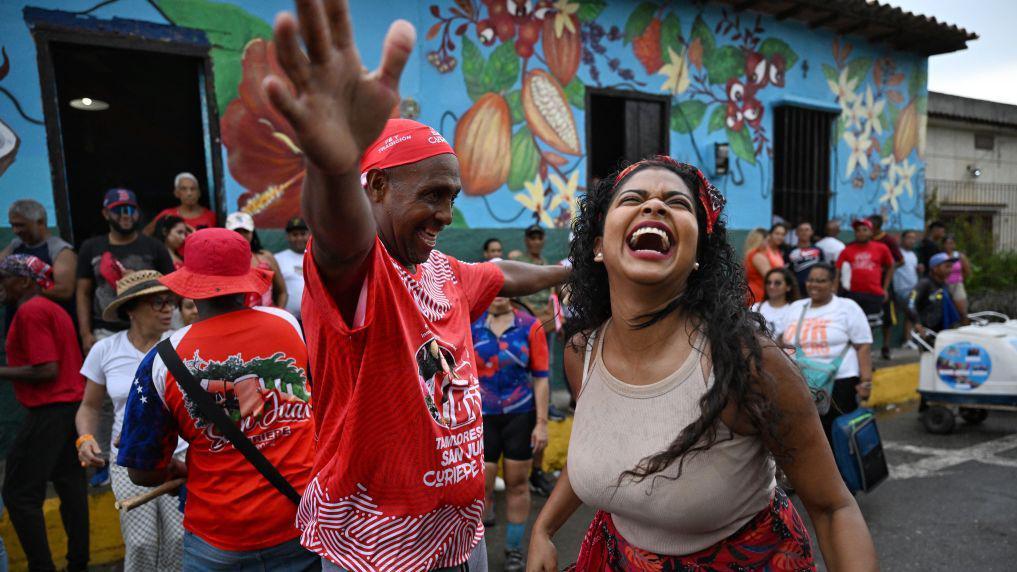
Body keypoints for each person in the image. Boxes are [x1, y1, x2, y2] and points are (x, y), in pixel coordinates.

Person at [261, 3, 568, 568]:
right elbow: (338, 239)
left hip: (458, 531)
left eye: (452, 197)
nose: (447, 215)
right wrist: (332, 168)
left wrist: (574, 269)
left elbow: (503, 276)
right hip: (377, 541)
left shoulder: (441, 271)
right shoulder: (361, 272)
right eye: (433, 195)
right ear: (375, 187)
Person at [526, 157, 875, 571]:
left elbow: (833, 508)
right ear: (599, 245)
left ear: (697, 254)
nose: (654, 207)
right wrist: (544, 528)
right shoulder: (581, 351)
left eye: (677, 203)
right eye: (633, 198)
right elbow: (604, 448)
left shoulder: (748, 363)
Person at [116, 228, 317, 571]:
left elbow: (142, 471)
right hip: (304, 523)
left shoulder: (162, 360)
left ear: (190, 289)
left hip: (218, 540)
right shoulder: (289, 325)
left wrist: (178, 468)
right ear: (248, 278)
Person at [75, 271, 186, 570]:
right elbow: (88, 406)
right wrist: (85, 439)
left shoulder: (183, 344)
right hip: (129, 459)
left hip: (182, 456)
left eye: (170, 302)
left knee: (180, 539)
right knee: (141, 543)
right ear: (131, 310)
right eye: (158, 302)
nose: (168, 309)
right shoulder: (105, 350)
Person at [76, 188, 175, 486]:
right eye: (119, 209)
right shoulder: (91, 247)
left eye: (131, 209)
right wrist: (85, 333)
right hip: (104, 328)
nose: (125, 215)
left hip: (179, 459)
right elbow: (82, 291)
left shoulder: (181, 344)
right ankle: (104, 461)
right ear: (106, 213)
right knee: (114, 399)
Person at [0, 254, 89, 572]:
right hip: (70, 410)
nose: (1, 285)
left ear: (24, 281)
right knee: (71, 487)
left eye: (4, 278)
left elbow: (46, 369)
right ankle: (78, 564)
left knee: (19, 494)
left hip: (50, 411)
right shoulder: (52, 309)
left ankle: (42, 567)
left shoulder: (32, 310)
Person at [472, 296, 549, 571]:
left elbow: (541, 376)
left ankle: (514, 549)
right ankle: (473, 550)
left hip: (520, 414)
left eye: (504, 290)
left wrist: (541, 423)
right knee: (480, 487)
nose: (497, 295)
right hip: (481, 416)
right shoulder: (472, 323)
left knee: (517, 484)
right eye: (492, 290)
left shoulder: (529, 326)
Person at [781, 263, 873, 441]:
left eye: (821, 281)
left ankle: (841, 469)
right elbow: (783, 342)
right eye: (811, 280)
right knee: (808, 438)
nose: (814, 285)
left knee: (837, 437)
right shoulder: (796, 308)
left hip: (839, 383)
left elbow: (863, 345)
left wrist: (866, 382)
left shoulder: (847, 307)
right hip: (801, 382)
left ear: (832, 283)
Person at [1, 199, 77, 330]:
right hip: (18, 324)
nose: (15, 230)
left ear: (40, 222)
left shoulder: (60, 250)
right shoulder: (15, 246)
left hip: (47, 326)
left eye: (20, 225)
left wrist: (24, 290)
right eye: (12, 225)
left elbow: (65, 291)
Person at [836, 219, 895, 333]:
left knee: (870, 326)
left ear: (871, 232)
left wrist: (885, 288)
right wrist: (834, 289)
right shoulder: (847, 250)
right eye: (858, 230)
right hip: (852, 294)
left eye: (864, 230)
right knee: (852, 325)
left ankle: (866, 350)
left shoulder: (881, 248)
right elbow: (838, 270)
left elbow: (891, 266)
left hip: (874, 293)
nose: (861, 232)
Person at [225, 211, 288, 309]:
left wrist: (279, 313)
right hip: (238, 320)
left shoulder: (266, 257)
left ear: (252, 232)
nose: (241, 235)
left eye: (245, 231)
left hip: (269, 318)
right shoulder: (222, 261)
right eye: (237, 231)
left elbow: (282, 292)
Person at [143, 172, 217, 234]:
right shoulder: (167, 215)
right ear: (176, 193)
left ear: (199, 193)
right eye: (183, 189)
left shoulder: (211, 216)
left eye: (193, 189)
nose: (189, 193)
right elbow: (145, 235)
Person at [908, 252, 962, 336]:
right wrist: (917, 323)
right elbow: (910, 302)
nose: (950, 270)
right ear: (935, 268)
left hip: (944, 331)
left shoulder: (944, 285)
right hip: (927, 331)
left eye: (951, 267)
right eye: (947, 266)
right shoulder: (924, 283)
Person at [274, 217, 310, 319]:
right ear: (288, 237)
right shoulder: (277, 259)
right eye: (294, 235)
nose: (299, 238)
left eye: (302, 234)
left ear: (309, 235)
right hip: (289, 319)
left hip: (315, 320)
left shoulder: (317, 257)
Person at [744, 222, 787, 304]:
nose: (767, 244)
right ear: (761, 240)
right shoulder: (757, 256)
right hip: (759, 292)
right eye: (767, 240)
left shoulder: (751, 254)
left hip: (754, 291)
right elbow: (770, 276)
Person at [751, 267, 799, 338]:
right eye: (768, 282)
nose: (771, 286)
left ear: (788, 287)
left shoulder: (797, 310)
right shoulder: (754, 308)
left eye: (777, 283)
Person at [893, 230, 920, 348]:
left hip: (913, 289)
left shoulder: (913, 255)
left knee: (912, 313)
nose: (912, 241)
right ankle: (907, 340)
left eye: (914, 238)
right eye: (909, 238)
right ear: (902, 239)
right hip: (902, 290)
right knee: (911, 313)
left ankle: (909, 339)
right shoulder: (897, 253)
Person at [787, 221, 822, 294]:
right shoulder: (789, 251)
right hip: (796, 290)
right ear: (796, 233)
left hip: (815, 288)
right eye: (801, 230)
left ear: (812, 232)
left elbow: (823, 270)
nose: (804, 232)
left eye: (807, 230)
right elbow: (787, 272)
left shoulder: (818, 250)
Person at [942, 235, 971, 320]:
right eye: (947, 243)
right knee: (947, 312)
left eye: (951, 243)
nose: (949, 246)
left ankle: (966, 330)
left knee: (962, 312)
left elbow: (967, 271)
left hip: (957, 285)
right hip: (944, 286)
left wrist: (959, 280)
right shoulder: (941, 256)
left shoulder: (959, 256)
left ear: (954, 245)